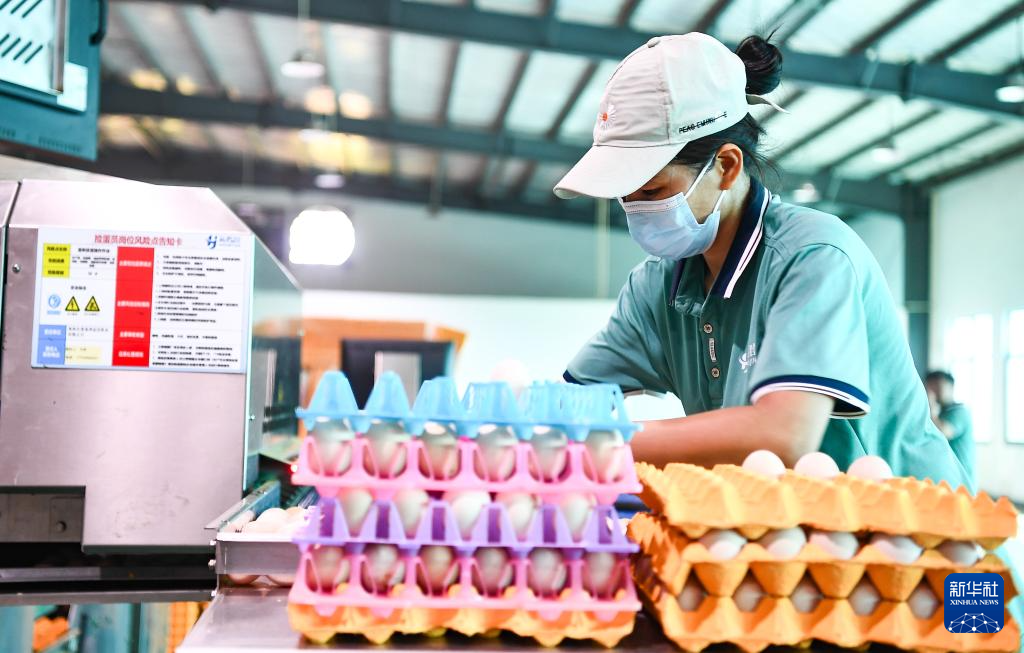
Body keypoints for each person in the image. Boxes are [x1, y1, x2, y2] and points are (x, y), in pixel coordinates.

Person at [554, 32, 970, 489]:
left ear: (727, 166)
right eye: (625, 196)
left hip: (908, 522)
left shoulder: (812, 257)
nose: (636, 210)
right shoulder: (657, 286)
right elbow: (573, 404)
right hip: (787, 523)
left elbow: (785, 434)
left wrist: (606, 443)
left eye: (652, 191)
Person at [924, 370, 975, 481]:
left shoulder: (960, 412)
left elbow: (943, 432)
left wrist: (931, 408)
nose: (932, 392)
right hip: (948, 478)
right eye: (930, 387)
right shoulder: (941, 414)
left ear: (951, 387)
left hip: (961, 481)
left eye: (937, 386)